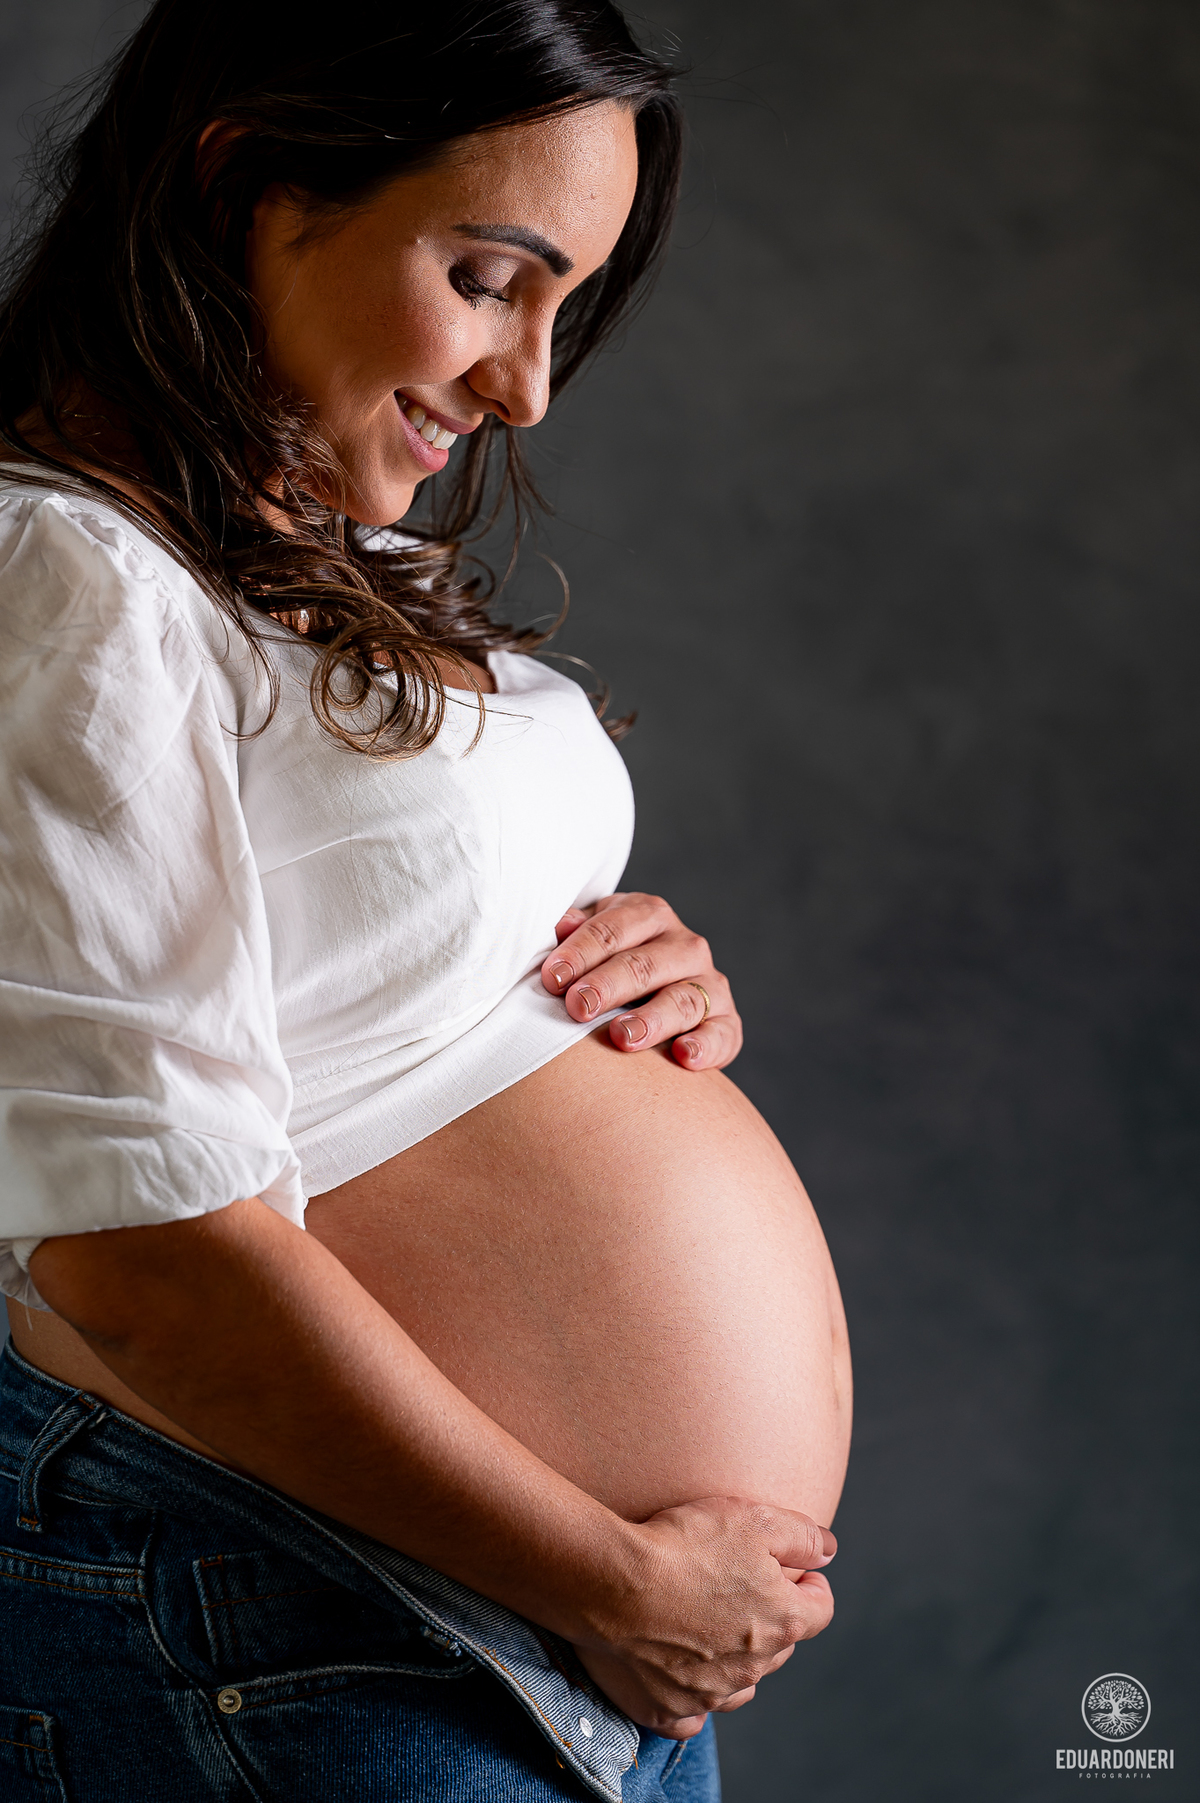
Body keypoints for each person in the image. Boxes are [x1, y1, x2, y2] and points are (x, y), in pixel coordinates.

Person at [0, 3, 852, 1798]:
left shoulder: (291, 550)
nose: (530, 385)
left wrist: (627, 980)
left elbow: (360, 973)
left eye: (566, 306)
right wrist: (610, 1576)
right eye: (486, 278)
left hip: (483, 1637)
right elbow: (134, 1249)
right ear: (248, 182)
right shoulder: (61, 565)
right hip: (315, 1614)